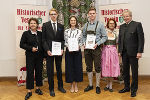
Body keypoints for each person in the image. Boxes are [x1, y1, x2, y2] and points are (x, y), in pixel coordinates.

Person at [118, 10, 145, 97]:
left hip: (134, 53)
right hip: (124, 53)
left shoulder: (137, 24)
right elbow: (120, 40)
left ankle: (134, 90)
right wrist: (119, 50)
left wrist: (140, 51)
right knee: (125, 71)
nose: (125, 18)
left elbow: (141, 39)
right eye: (124, 17)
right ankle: (126, 87)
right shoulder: (121, 27)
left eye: (127, 16)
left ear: (131, 16)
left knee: (134, 72)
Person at [82, 7, 107, 94]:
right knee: (88, 67)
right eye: (90, 13)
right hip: (87, 49)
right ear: (88, 15)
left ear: (96, 14)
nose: (92, 15)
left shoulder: (100, 25)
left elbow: (105, 37)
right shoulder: (85, 25)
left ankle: (97, 86)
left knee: (97, 67)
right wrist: (84, 43)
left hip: (96, 49)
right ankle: (90, 85)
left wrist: (98, 43)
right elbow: (83, 36)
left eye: (93, 13)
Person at [42, 8, 66, 97]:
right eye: (51, 14)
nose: (53, 15)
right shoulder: (45, 25)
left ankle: (60, 86)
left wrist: (62, 49)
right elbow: (43, 40)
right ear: (49, 15)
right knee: (50, 71)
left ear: (57, 15)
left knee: (59, 69)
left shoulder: (61, 26)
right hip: (49, 52)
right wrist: (47, 50)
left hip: (58, 52)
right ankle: (51, 88)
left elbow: (63, 40)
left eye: (54, 14)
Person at [20, 17, 44, 100]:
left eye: (34, 23)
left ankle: (38, 88)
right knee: (30, 73)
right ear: (29, 25)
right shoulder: (25, 33)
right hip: (30, 56)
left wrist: (44, 56)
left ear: (37, 25)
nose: (33, 24)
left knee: (39, 72)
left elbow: (43, 45)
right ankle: (29, 91)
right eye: (31, 23)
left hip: (39, 56)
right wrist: (31, 48)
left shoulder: (40, 34)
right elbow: (22, 44)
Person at [64, 16, 83, 93]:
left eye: (74, 20)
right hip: (69, 52)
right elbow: (65, 41)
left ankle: (76, 85)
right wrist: (68, 47)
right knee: (69, 68)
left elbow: (81, 41)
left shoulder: (79, 31)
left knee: (77, 68)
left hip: (77, 52)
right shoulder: (66, 31)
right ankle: (71, 84)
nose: (73, 22)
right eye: (71, 20)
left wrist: (79, 46)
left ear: (76, 21)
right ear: (69, 22)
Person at [101, 19, 120, 92]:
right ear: (108, 25)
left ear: (115, 25)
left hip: (113, 52)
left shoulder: (116, 34)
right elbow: (102, 43)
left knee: (112, 68)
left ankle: (111, 84)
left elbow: (117, 44)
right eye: (110, 23)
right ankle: (107, 84)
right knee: (106, 67)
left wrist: (118, 53)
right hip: (105, 51)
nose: (111, 25)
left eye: (113, 23)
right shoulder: (104, 33)